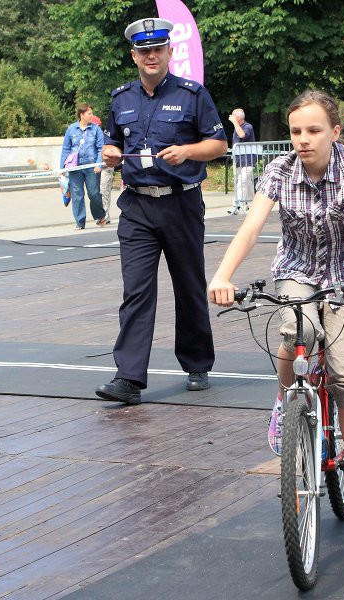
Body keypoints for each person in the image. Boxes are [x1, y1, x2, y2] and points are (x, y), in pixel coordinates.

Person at [208, 90, 344, 511]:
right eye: (295, 131)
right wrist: (222, 275)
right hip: (296, 270)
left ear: (335, 132)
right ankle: (285, 400)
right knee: (299, 329)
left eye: (313, 130)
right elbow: (252, 226)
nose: (302, 139)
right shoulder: (279, 170)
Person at [94, 17, 228, 405]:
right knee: (136, 290)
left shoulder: (192, 94)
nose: (151, 56)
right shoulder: (121, 99)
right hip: (137, 205)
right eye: (144, 51)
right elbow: (110, 148)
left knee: (188, 286)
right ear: (134, 56)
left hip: (181, 201)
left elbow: (217, 144)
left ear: (170, 52)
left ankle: (197, 362)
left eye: (158, 49)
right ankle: (129, 378)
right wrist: (109, 155)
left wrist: (188, 151)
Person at [60, 104, 106, 229]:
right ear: (82, 115)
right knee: (77, 194)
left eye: (92, 113)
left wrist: (98, 164)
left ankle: (100, 216)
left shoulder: (96, 129)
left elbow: (100, 149)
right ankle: (80, 222)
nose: (92, 116)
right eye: (89, 113)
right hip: (75, 167)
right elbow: (66, 148)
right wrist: (62, 168)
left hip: (92, 167)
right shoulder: (71, 129)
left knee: (94, 193)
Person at [228, 108, 257, 215]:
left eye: (233, 115)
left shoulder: (248, 127)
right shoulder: (237, 128)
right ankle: (252, 205)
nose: (230, 117)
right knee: (247, 183)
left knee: (242, 182)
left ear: (238, 118)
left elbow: (242, 135)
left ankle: (237, 205)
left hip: (248, 161)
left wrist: (235, 123)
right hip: (239, 161)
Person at [93, 113, 115, 225]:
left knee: (104, 190)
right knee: (98, 193)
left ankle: (105, 215)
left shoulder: (104, 136)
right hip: (97, 167)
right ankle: (103, 215)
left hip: (106, 167)